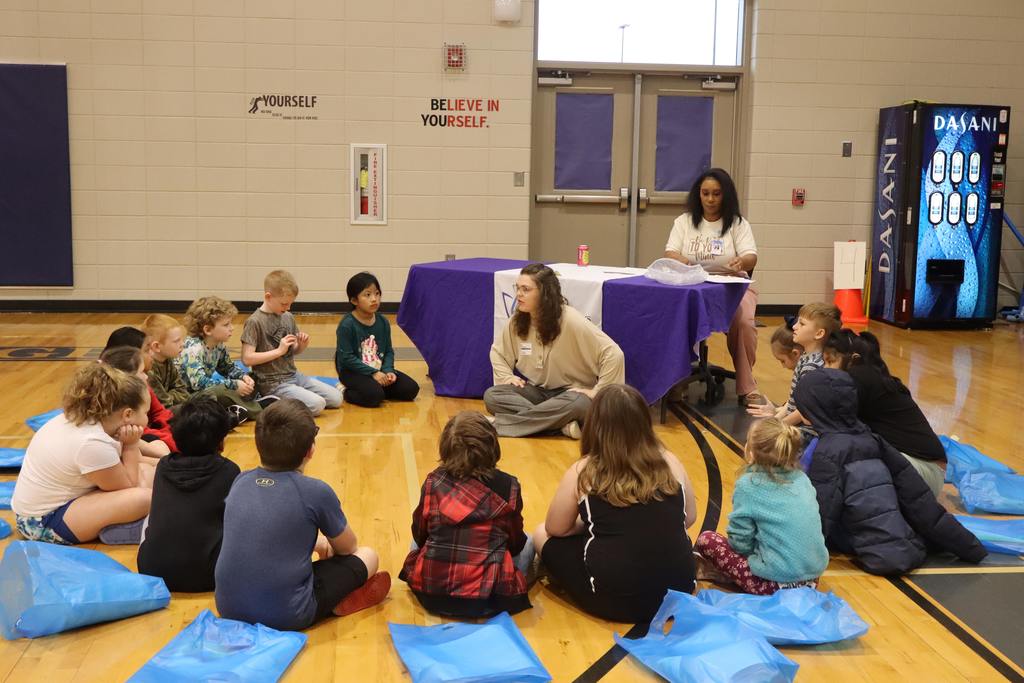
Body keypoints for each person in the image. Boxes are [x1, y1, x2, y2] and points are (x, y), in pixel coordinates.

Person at [215, 399, 389, 631]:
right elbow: (348, 548)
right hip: (286, 615)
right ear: (311, 450)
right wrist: (324, 543)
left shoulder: (241, 480)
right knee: (369, 555)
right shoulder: (315, 491)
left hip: (228, 607)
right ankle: (334, 602)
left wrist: (315, 542)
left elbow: (262, 531)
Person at [793, 369, 985, 575]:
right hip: (899, 543)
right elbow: (918, 498)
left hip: (865, 544)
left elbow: (822, 511)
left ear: (814, 410)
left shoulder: (828, 450)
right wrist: (970, 547)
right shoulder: (872, 438)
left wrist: (796, 553)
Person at [534, 384, 697, 623]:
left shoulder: (584, 469)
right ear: (644, 422)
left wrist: (586, 525)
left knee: (540, 534)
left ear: (596, 425)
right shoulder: (669, 460)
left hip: (614, 602)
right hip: (680, 593)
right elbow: (689, 517)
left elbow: (555, 528)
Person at [400, 411, 532, 618]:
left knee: (416, 543)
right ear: (492, 447)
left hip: (431, 593)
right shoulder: (509, 485)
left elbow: (420, 534)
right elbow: (516, 543)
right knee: (530, 543)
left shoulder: (433, 481)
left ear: (445, 447)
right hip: (488, 600)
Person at [11, 364, 153, 545]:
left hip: (61, 505)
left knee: (147, 473)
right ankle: (120, 531)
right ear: (127, 415)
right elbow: (128, 488)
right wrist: (131, 446)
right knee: (144, 497)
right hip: (42, 522)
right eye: (146, 412)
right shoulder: (92, 442)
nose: (148, 418)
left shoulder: (92, 420)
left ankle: (116, 525)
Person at [484, 263, 625, 439]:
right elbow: (498, 352)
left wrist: (597, 392)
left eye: (526, 289)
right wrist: (506, 376)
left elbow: (614, 354)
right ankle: (560, 426)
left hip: (571, 395)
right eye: (517, 288)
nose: (519, 294)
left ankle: (498, 426)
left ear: (544, 293)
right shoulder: (517, 321)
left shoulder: (571, 320)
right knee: (492, 395)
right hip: (538, 393)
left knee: (578, 404)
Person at [694, 418, 828, 595]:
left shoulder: (748, 485)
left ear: (751, 452)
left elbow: (740, 542)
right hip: (812, 580)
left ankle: (731, 576)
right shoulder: (802, 479)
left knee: (707, 540)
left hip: (773, 586)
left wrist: (750, 556)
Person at [663, 168, 760, 405]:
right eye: (705, 193)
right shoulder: (684, 222)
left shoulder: (738, 224)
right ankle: (677, 380)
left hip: (731, 286)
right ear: (698, 195)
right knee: (676, 316)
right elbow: (670, 252)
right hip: (692, 283)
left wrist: (742, 262)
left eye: (716, 194)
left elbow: (751, 257)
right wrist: (680, 260)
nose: (710, 199)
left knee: (744, 323)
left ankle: (747, 387)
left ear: (725, 195)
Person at [823, 330, 946, 496]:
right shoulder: (870, 375)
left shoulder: (858, 378)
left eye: (830, 362)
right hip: (927, 471)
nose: (826, 369)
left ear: (853, 359)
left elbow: (830, 420)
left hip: (924, 473)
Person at [137, 397, 240, 592]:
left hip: (152, 570)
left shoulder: (163, 467)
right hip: (210, 574)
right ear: (221, 441)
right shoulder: (229, 471)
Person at [241, 270, 342, 416]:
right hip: (272, 383)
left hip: (293, 376)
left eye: (290, 303)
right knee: (317, 405)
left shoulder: (287, 317)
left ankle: (291, 397)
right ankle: (268, 400)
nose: (288, 308)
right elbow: (247, 358)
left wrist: (301, 345)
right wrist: (279, 351)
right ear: (268, 297)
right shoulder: (254, 321)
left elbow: (292, 350)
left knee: (337, 398)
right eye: (284, 304)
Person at [335, 271, 419, 408]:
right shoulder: (347, 325)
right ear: (354, 300)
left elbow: (388, 351)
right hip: (352, 372)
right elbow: (346, 358)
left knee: (411, 389)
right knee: (375, 397)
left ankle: (376, 387)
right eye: (367, 295)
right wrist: (373, 373)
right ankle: (346, 391)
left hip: (377, 369)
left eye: (377, 293)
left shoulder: (383, 322)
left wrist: (388, 371)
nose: (374, 299)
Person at [748, 302, 840, 426]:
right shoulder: (806, 357)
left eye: (801, 324)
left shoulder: (813, 365)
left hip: (805, 429)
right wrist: (776, 417)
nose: (795, 327)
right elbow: (795, 400)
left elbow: (803, 411)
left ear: (819, 333)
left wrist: (778, 425)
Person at [180, 295, 267, 420]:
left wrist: (243, 377)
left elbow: (228, 368)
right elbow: (199, 383)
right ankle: (258, 410)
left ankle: (239, 407)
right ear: (208, 329)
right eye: (226, 325)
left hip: (202, 393)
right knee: (222, 391)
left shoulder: (218, 345)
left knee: (252, 376)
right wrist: (233, 384)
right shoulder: (193, 349)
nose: (231, 328)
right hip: (187, 397)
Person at [99, 345, 175, 458]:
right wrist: (175, 440)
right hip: (142, 436)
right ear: (128, 377)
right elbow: (143, 432)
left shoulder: (144, 388)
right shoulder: (121, 409)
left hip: (149, 432)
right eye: (142, 372)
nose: (146, 376)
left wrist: (174, 428)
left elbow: (160, 412)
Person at [142, 313, 189, 412]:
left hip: (171, 407)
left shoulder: (167, 359)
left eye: (181, 340)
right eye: (176, 341)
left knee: (207, 397)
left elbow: (183, 392)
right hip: (160, 414)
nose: (182, 344)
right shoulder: (149, 369)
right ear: (156, 347)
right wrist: (172, 395)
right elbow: (164, 403)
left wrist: (169, 395)